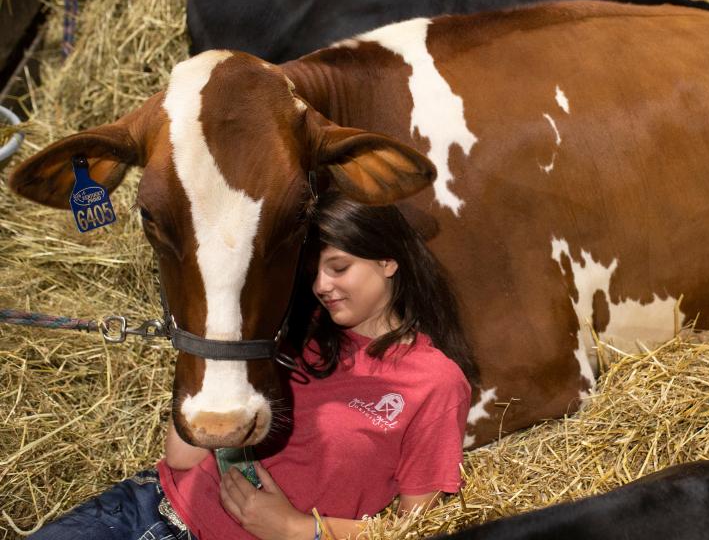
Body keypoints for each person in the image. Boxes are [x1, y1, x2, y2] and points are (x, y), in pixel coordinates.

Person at [32, 193, 477, 540]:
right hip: (147, 505)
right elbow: (181, 455)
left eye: (339, 267)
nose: (322, 286)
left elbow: (421, 529)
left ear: (388, 260)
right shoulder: (292, 331)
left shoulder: (434, 382)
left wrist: (299, 530)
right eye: (313, 272)